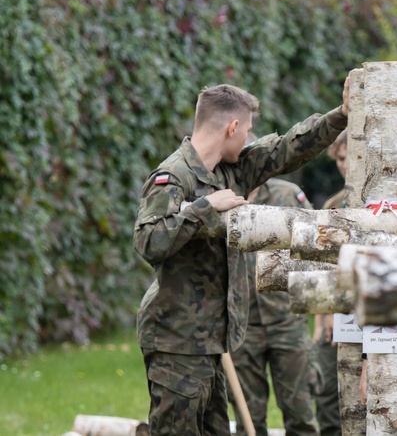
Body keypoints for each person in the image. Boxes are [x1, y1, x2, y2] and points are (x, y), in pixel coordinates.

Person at [134, 81, 349, 435]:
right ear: (232, 127)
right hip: (176, 341)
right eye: (246, 130)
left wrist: (340, 115)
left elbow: (287, 148)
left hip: (211, 342)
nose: (249, 138)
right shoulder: (173, 177)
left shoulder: (229, 170)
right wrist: (204, 207)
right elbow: (148, 241)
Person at [228, 173, 319, 436]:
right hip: (242, 324)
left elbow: (316, 245)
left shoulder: (287, 195)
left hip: (287, 320)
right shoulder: (221, 199)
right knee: (248, 419)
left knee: (300, 412)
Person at [313, 128, 350, 436]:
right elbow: (322, 267)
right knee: (327, 394)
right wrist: (323, 318)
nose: (345, 164)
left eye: (351, 157)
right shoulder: (332, 207)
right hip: (335, 313)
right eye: (340, 158)